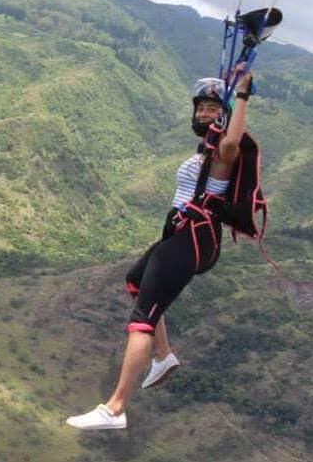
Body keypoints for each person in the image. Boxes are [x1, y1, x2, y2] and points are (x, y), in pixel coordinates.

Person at [66, 69, 254, 431]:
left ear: (226, 115)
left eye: (213, 108)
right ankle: (163, 355)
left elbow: (232, 144)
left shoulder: (222, 153)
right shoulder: (204, 151)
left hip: (193, 238)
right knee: (135, 281)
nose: (203, 113)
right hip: (181, 235)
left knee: (142, 321)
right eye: (201, 107)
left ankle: (116, 409)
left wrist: (242, 96)